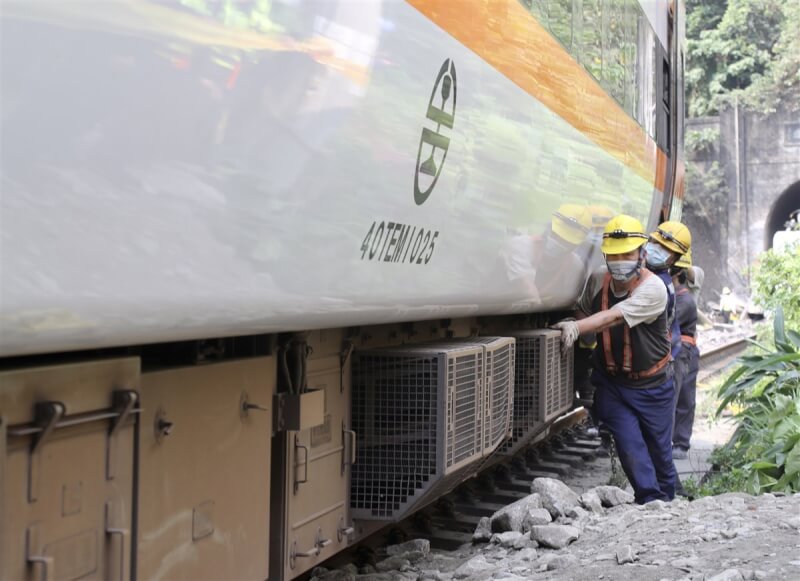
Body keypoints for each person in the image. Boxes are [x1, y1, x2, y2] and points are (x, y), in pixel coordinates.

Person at [553, 215, 676, 503]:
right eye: (614, 255)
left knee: (660, 451)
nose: (620, 260)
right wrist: (584, 341)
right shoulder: (598, 279)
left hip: (653, 385)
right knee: (629, 444)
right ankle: (648, 500)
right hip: (613, 384)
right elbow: (585, 308)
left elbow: (615, 316)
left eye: (627, 254)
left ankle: (668, 503)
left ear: (641, 255)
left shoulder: (654, 289)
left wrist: (576, 328)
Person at [671, 252, 700, 459]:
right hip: (679, 350)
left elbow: (668, 324)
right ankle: (676, 441)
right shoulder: (676, 297)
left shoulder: (685, 299)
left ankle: (680, 443)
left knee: (683, 397)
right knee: (676, 395)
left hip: (684, 351)